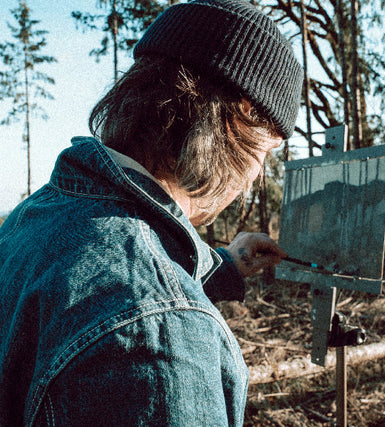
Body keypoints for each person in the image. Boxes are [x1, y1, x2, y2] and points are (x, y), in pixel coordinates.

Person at [0, 0, 303, 425]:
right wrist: (171, 308)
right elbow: (143, 300)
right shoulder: (164, 336)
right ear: (238, 121)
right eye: (265, 154)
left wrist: (230, 263)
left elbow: (110, 272)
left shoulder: (34, 215)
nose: (254, 179)